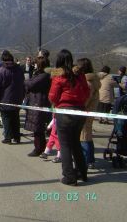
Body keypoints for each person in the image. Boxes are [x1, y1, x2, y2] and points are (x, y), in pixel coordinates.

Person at [48, 49, 90, 186]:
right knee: (76, 143)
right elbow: (86, 92)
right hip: (80, 112)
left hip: (65, 112)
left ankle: (69, 176)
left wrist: (58, 102)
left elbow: (53, 96)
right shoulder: (80, 74)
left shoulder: (59, 75)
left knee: (65, 145)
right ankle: (82, 172)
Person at [0, 50, 25, 144]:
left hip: (4, 98)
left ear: (3, 60)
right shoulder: (19, 69)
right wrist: (22, 96)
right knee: (15, 118)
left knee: (6, 118)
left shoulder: (1, 70)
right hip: (17, 98)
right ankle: (17, 137)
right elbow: (23, 84)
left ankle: (8, 137)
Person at [24, 56, 52, 156]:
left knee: (38, 127)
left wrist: (26, 81)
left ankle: (39, 148)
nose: (34, 65)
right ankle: (40, 147)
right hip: (36, 101)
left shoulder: (44, 76)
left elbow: (31, 84)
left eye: (36, 63)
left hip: (40, 102)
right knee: (38, 127)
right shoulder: (40, 74)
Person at [77, 58, 101, 169]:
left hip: (85, 111)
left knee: (84, 136)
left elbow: (86, 99)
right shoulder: (94, 80)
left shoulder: (88, 82)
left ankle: (87, 160)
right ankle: (90, 159)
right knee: (88, 135)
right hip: (90, 111)